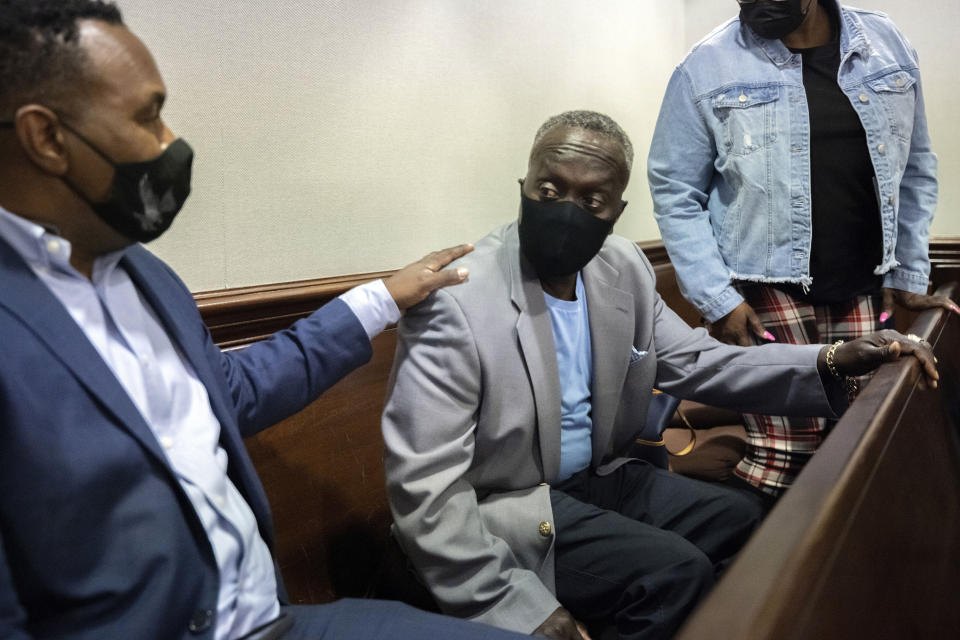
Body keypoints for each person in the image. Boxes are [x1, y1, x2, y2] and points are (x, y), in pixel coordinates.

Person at [0, 2, 532, 639]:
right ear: (47, 138)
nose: (171, 143)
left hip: (272, 622)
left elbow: (230, 390)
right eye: (148, 116)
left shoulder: (143, 275)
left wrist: (383, 298)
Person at [381, 110, 939, 640]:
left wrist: (834, 357)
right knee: (672, 573)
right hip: (506, 504)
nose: (566, 209)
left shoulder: (620, 267)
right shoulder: (457, 299)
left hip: (595, 477)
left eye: (591, 198)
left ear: (615, 212)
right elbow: (424, 485)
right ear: (524, 186)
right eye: (549, 190)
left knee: (743, 517)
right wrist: (503, 600)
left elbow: (699, 361)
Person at [647, 0, 959, 508]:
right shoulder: (707, 65)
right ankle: (759, 578)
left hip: (861, 288)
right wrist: (716, 300)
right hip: (762, 295)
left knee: (861, 447)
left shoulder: (886, 46)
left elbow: (916, 164)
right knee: (783, 460)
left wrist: (908, 268)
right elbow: (674, 189)